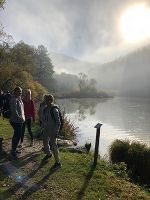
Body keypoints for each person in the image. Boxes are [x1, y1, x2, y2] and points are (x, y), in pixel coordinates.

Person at [42, 94, 61, 169]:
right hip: (46, 128)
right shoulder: (46, 108)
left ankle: (58, 162)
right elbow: (45, 119)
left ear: (51, 100)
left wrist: (55, 132)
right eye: (45, 99)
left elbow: (58, 122)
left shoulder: (54, 109)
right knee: (44, 141)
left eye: (46, 100)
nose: (45, 101)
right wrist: (43, 127)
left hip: (53, 130)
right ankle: (49, 154)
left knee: (54, 145)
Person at [9, 87, 25, 159]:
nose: (20, 93)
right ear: (14, 91)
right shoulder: (13, 99)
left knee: (18, 135)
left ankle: (14, 149)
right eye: (18, 91)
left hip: (19, 121)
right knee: (17, 135)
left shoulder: (19, 99)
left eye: (21, 92)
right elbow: (14, 111)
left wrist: (22, 118)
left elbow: (21, 109)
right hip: (15, 121)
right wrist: (20, 118)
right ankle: (13, 151)